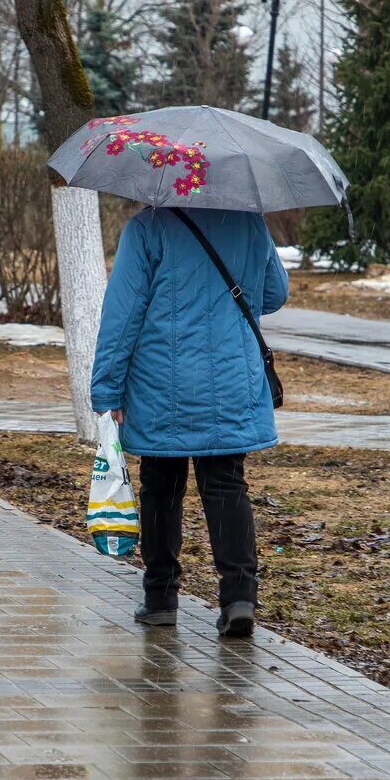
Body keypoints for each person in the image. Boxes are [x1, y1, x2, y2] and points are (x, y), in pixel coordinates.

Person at [91, 207, 289, 637]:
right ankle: (239, 598)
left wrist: (107, 389)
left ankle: (161, 598)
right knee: (226, 486)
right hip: (232, 378)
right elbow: (274, 293)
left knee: (161, 487)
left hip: (163, 382)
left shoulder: (147, 227)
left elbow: (123, 314)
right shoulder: (248, 221)